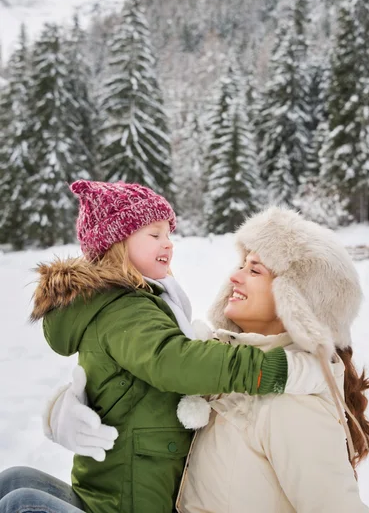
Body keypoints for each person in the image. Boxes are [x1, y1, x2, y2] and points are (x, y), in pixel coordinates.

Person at [0, 182, 334, 513]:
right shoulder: (124, 308)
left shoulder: (125, 303)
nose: (169, 244)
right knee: (19, 500)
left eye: (169, 234)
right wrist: (277, 368)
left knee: (15, 485)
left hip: (111, 491)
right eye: (154, 234)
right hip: (131, 501)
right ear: (117, 242)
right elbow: (174, 361)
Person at [174, 207, 369, 512]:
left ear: (297, 301)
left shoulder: (291, 403)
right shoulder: (234, 374)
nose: (234, 275)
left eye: (255, 270)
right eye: (242, 264)